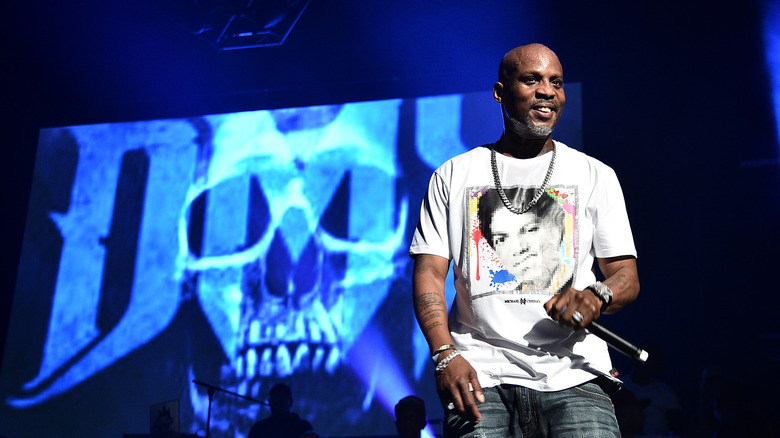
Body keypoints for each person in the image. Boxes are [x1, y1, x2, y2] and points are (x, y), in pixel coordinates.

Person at [409, 43, 640, 437]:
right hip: (481, 377)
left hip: (575, 375)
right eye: (531, 80)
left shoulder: (595, 174)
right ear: (500, 92)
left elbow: (626, 276)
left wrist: (596, 295)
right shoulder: (453, 175)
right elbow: (430, 273)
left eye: (556, 82)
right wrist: (445, 355)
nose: (547, 91)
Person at [247, 383, 313, 438]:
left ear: (291, 402)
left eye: (283, 398)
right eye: (276, 398)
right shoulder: (259, 429)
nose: (279, 402)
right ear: (270, 402)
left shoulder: (302, 426)